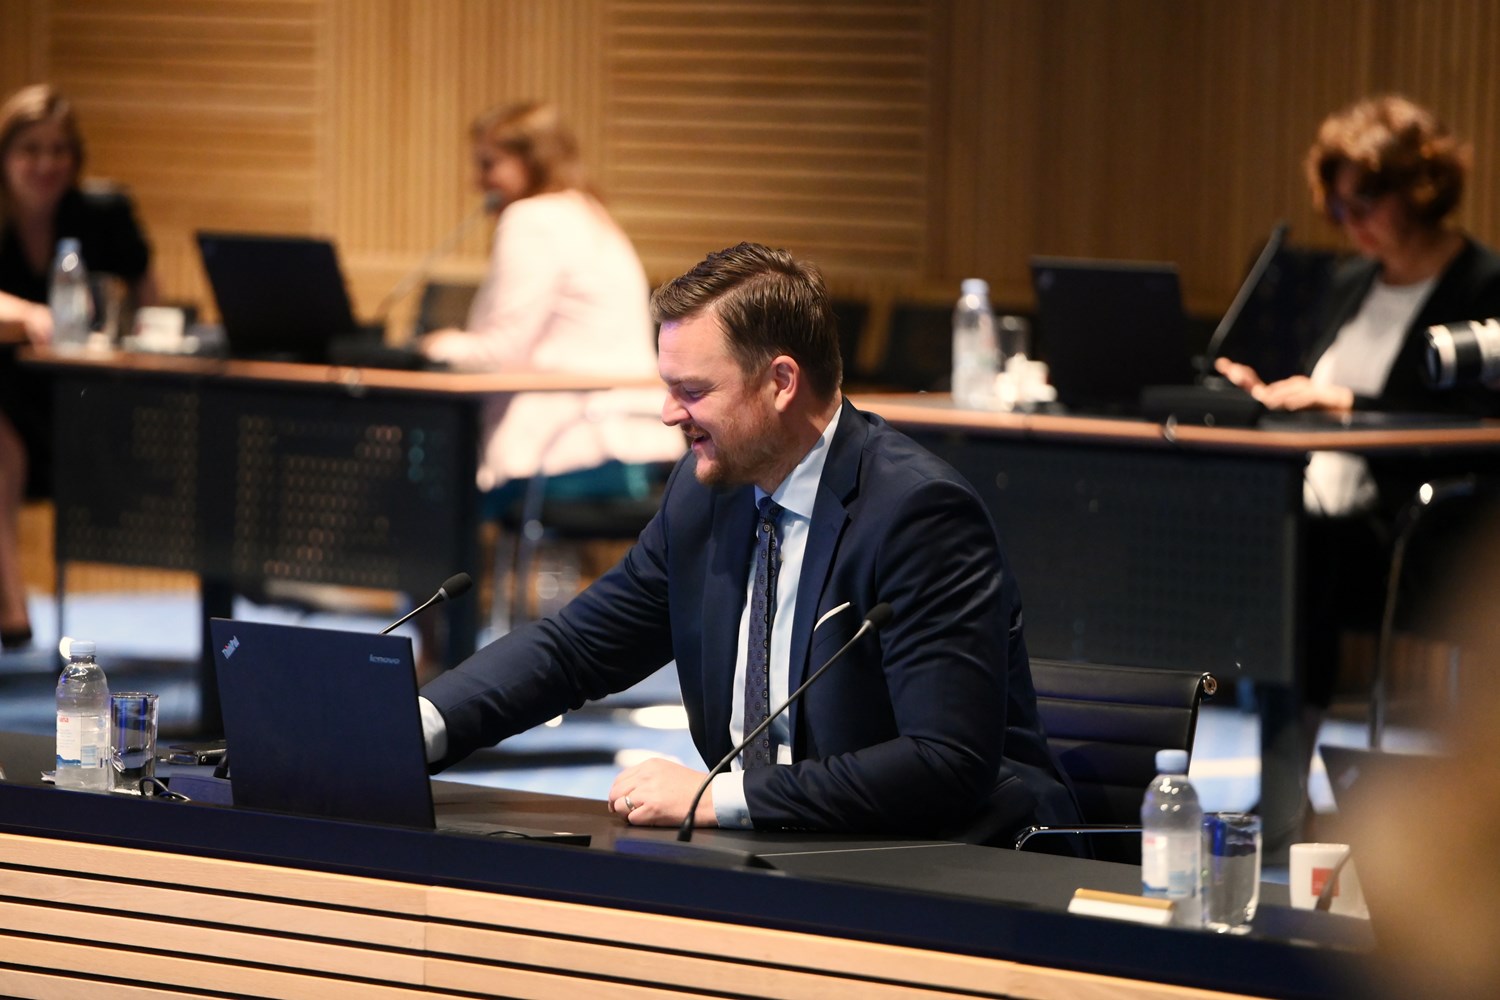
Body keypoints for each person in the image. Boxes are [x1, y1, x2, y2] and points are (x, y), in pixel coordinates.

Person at [417, 242, 1078, 843]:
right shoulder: (706, 494)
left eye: (693, 391)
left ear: (781, 383)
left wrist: (721, 797)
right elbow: (576, 650)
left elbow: (944, 763)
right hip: (784, 847)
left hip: (951, 858)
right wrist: (419, 724)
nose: (669, 414)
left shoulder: (917, 513)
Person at [1214, 95, 1500, 854]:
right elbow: (1312, 387)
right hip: (1329, 512)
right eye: (1338, 209)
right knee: (1265, 544)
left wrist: (1346, 404)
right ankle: (1276, 793)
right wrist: (1259, 395)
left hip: (1434, 526)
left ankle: (1280, 799)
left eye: (1365, 204)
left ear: (1420, 191)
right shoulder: (1349, 283)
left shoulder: (1485, 286)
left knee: (1302, 559)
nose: (1351, 224)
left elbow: (1474, 421)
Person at [417, 100, 681, 507]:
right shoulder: (589, 213)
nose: (477, 182)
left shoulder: (531, 219)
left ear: (531, 160)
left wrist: (432, 346)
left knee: (421, 491)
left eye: (489, 164)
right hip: (637, 439)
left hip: (573, 449)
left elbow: (500, 351)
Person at [0, 84, 156, 650]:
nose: (47, 163)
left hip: (95, 409)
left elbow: (150, 304)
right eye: (31, 149)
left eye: (59, 150)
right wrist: (29, 314)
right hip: (13, 404)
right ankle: (12, 605)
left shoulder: (103, 216)